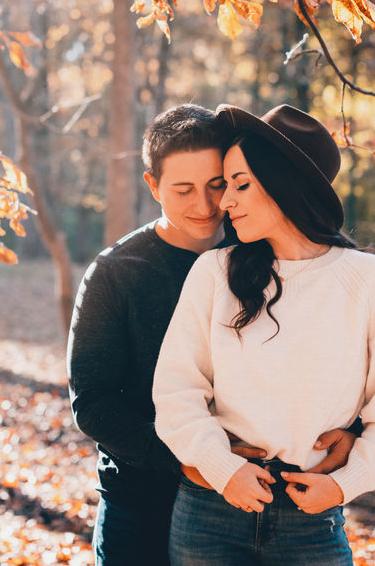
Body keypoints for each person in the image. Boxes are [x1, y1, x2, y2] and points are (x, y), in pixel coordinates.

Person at [66, 104, 358, 565]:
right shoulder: (115, 273)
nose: (204, 206)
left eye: (217, 184)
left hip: (245, 509)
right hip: (140, 500)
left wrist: (353, 431)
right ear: (153, 185)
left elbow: (325, 357)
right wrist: (190, 460)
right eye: (183, 190)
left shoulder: (263, 256)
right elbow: (92, 402)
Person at [152, 104, 375, 565]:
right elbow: (177, 391)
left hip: (310, 519)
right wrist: (223, 469)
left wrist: (342, 486)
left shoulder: (372, 281)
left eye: (240, 184)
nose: (224, 201)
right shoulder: (215, 272)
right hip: (212, 512)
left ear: (284, 185)